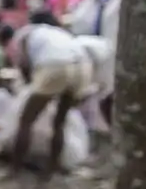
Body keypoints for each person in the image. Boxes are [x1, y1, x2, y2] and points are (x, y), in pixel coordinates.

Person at [11, 23, 93, 177]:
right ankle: (51, 169)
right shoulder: (53, 33)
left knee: (26, 120)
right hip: (83, 65)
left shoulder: (25, 38)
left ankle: (15, 169)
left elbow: (25, 67)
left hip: (56, 65)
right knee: (59, 122)